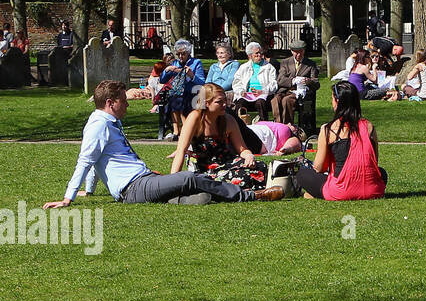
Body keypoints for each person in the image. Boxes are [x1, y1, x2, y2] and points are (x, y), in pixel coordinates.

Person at [43, 80, 282, 208]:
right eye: (123, 101)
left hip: (143, 179)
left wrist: (91, 190)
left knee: (197, 195)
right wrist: (68, 198)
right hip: (132, 188)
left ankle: (193, 199)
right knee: (188, 178)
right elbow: (86, 160)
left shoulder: (107, 121)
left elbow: (96, 160)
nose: (127, 105)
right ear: (110, 103)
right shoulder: (99, 125)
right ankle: (250, 197)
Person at [290, 82, 386, 200]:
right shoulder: (369, 127)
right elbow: (373, 162)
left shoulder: (328, 129)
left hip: (341, 191)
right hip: (373, 190)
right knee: (382, 172)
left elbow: (320, 168)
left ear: (336, 101)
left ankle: (313, 194)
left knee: (302, 174)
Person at [169, 83, 260, 175]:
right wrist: (173, 179)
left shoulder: (228, 120)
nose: (224, 104)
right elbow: (181, 150)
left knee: (260, 167)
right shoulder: (195, 118)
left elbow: (242, 149)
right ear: (206, 103)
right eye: (219, 102)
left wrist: (249, 156)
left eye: (225, 100)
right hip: (204, 167)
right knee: (241, 175)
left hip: (226, 163)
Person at [159, 38, 206, 139]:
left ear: (188, 53)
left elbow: (201, 82)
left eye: (183, 54)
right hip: (178, 93)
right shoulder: (175, 63)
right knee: (174, 99)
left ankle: (185, 129)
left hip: (193, 92)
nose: (180, 56)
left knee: (181, 100)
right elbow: (162, 80)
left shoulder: (196, 63)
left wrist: (191, 75)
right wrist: (166, 70)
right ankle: (176, 131)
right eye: (178, 54)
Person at [272, 39, 318, 122]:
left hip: (299, 92)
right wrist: (293, 81)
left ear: (304, 51)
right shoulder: (285, 62)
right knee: (275, 100)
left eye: (301, 52)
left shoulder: (311, 64)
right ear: (291, 51)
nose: (299, 54)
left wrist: (308, 81)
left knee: (287, 100)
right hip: (284, 90)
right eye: (296, 52)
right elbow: (280, 80)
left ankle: (288, 125)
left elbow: (316, 83)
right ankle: (279, 124)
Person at [231, 41, 277, 119]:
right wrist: (241, 91)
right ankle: (240, 126)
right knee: (240, 103)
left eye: (260, 53)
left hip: (263, 95)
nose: (259, 55)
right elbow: (236, 82)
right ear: (250, 56)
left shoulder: (269, 67)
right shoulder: (244, 67)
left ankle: (263, 124)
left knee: (260, 103)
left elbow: (274, 84)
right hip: (247, 95)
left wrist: (263, 91)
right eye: (256, 53)